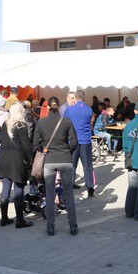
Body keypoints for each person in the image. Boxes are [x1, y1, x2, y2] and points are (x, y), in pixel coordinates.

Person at [34, 96, 79, 236]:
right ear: (59, 107)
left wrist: (44, 149)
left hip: (49, 160)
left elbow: (35, 143)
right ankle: (73, 225)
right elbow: (74, 142)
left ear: (47, 107)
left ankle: (50, 227)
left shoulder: (41, 122)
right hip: (65, 159)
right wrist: (67, 151)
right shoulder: (66, 121)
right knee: (69, 194)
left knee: (49, 194)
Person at [0, 102, 34, 229]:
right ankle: (20, 220)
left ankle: (4, 218)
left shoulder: (5, 124)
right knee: (18, 190)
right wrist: (31, 158)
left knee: (5, 189)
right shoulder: (21, 125)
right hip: (17, 161)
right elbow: (26, 145)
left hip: (4, 160)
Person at [64, 90, 95, 197]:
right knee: (87, 165)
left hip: (72, 140)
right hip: (85, 140)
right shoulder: (89, 109)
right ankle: (90, 188)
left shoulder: (69, 110)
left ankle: (70, 184)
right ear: (84, 98)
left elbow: (65, 124)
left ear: (75, 98)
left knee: (72, 164)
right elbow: (89, 121)